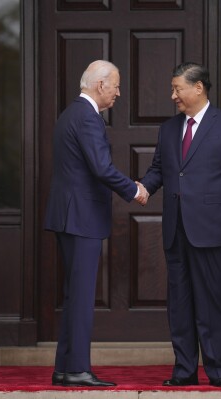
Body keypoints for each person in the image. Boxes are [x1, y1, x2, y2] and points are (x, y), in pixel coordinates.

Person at [139, 62, 221, 388]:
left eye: (178, 88)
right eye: (173, 89)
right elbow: (159, 168)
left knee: (212, 303)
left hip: (214, 228)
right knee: (180, 304)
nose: (173, 95)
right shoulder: (169, 129)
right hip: (176, 230)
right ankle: (184, 370)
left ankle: (218, 373)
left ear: (198, 87)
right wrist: (144, 187)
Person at [43, 60, 148, 387]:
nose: (118, 92)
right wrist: (134, 189)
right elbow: (101, 168)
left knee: (75, 295)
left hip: (69, 216)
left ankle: (64, 369)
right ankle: (77, 369)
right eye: (115, 85)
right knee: (82, 295)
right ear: (100, 85)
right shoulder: (87, 118)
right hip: (81, 218)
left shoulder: (69, 114)